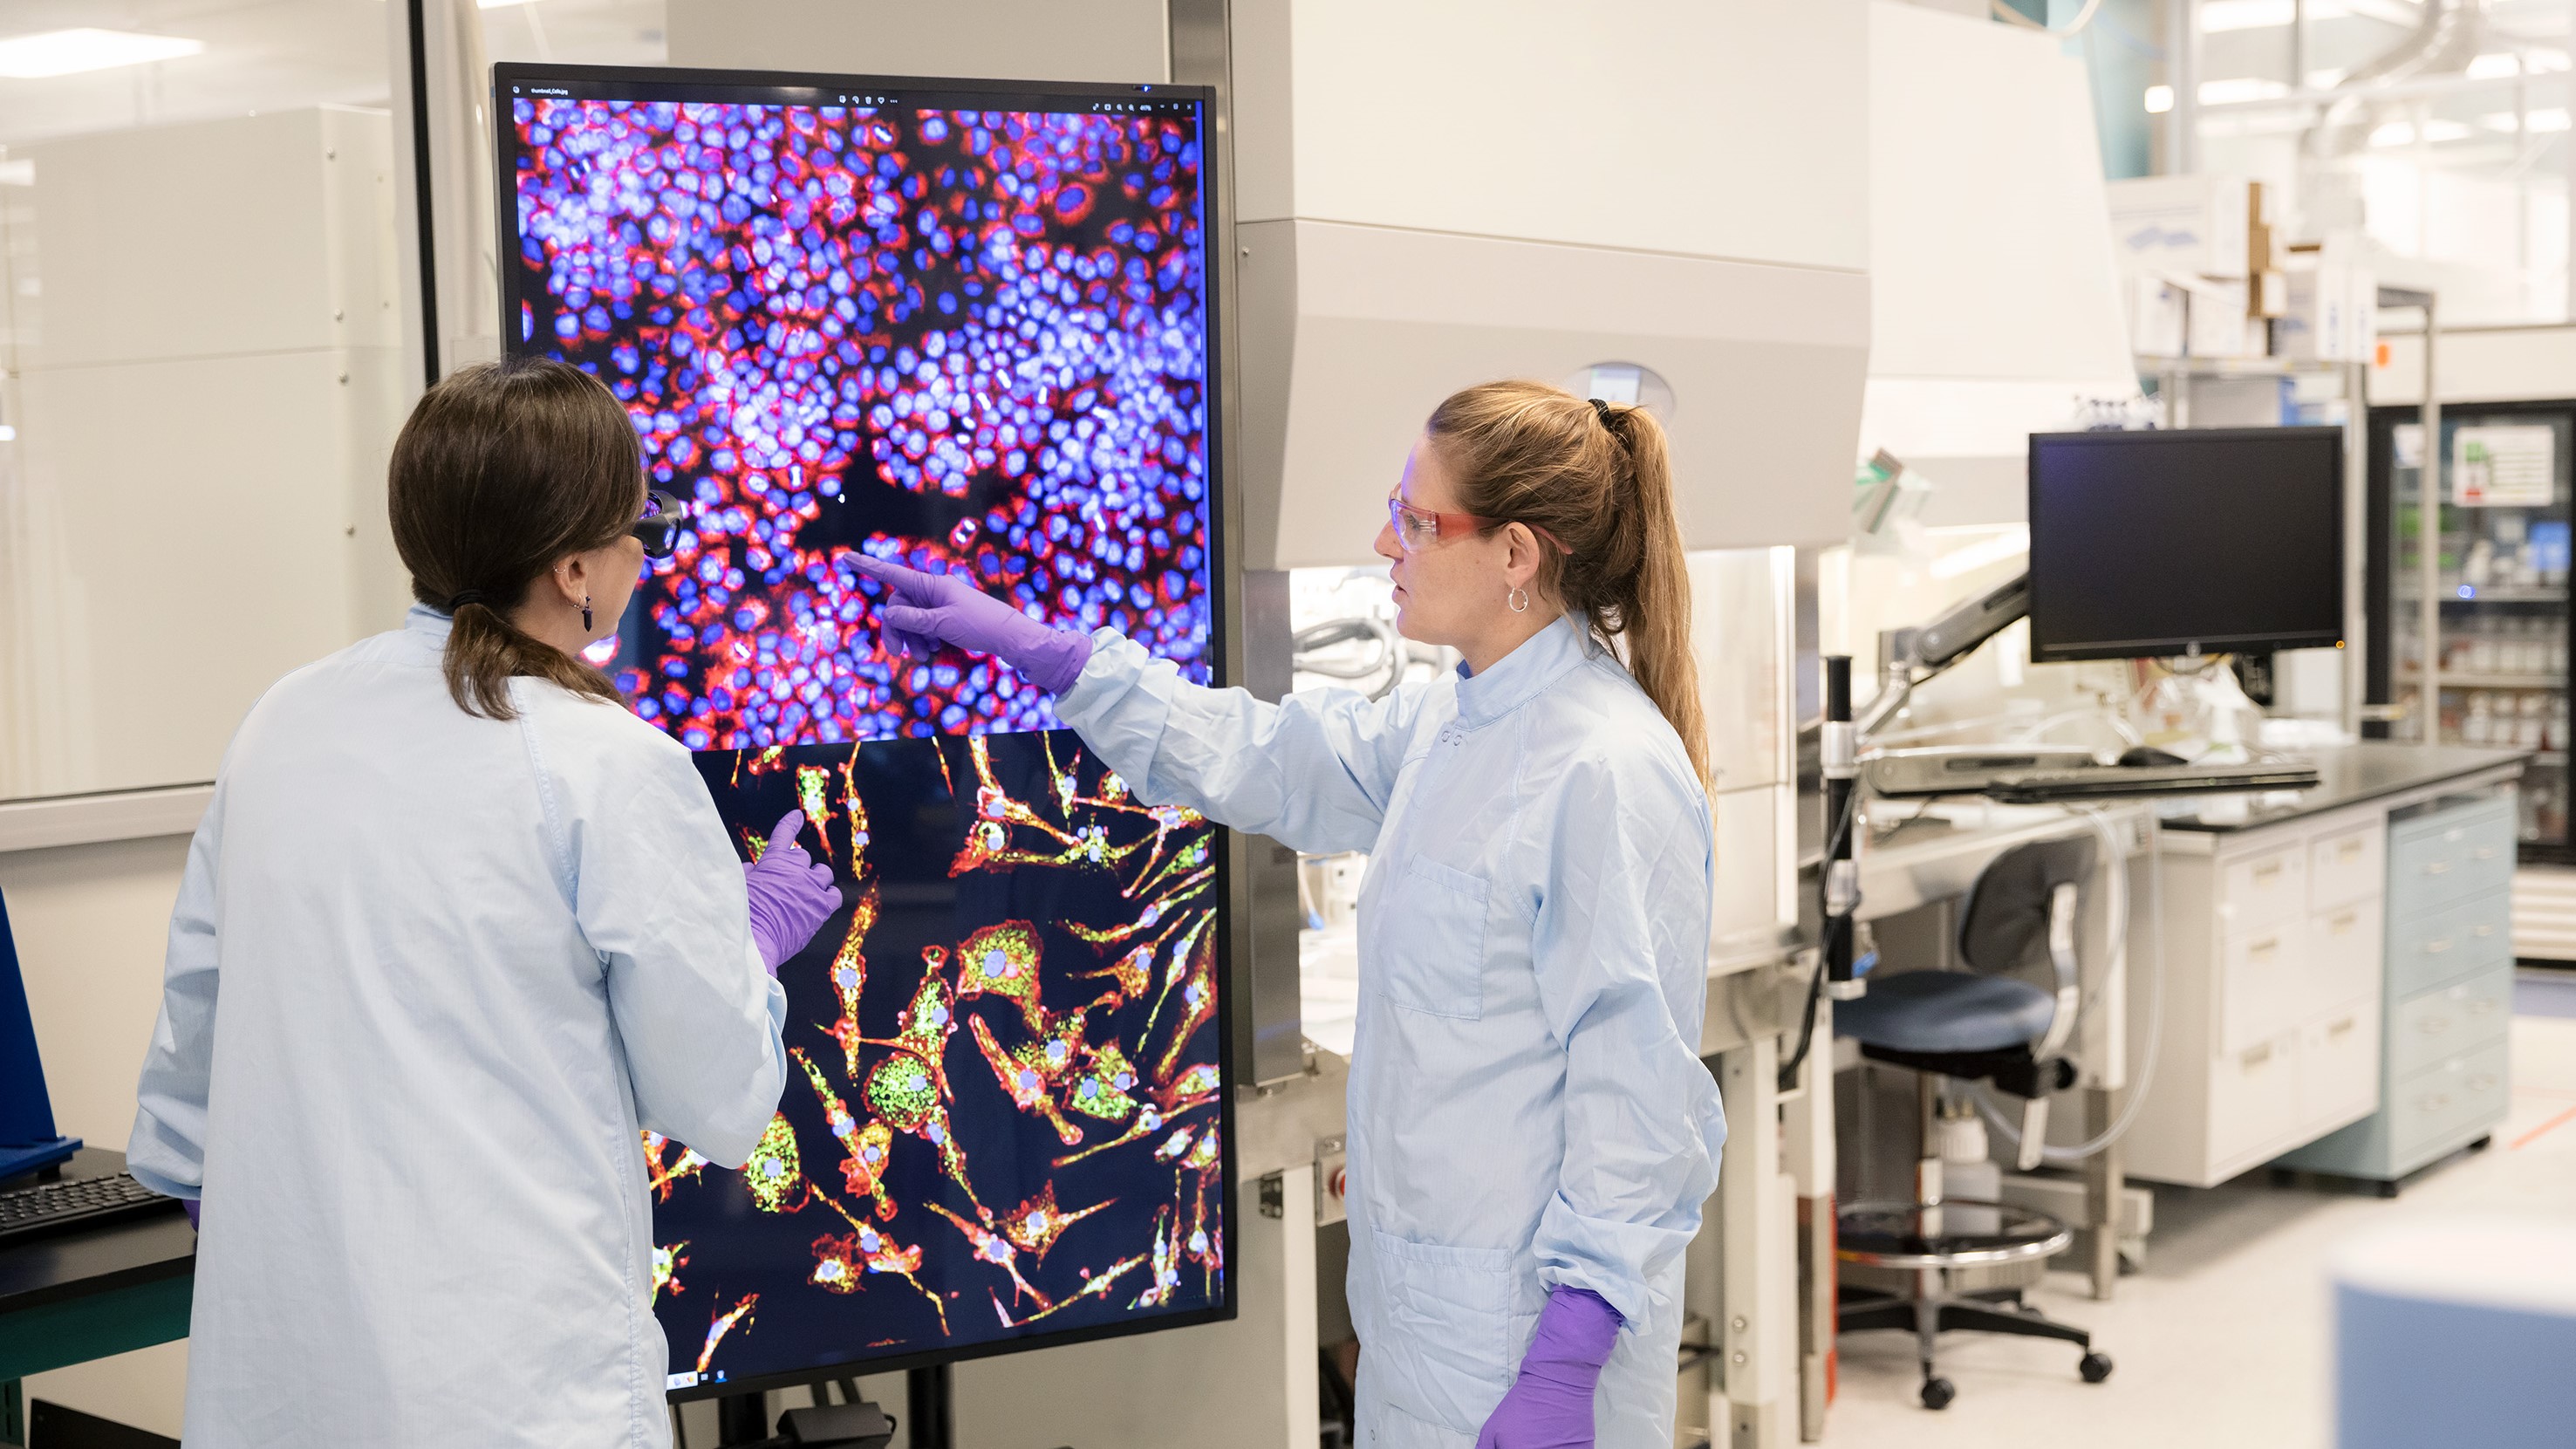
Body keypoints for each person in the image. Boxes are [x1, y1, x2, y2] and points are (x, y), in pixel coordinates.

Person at [856, 379, 1727, 1449]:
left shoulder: (1603, 768)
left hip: (1530, 1344)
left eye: (1415, 521)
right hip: (1428, 1324)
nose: (1383, 540)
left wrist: (1569, 1353)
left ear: (1517, 554)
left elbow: (1637, 1101)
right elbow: (1268, 757)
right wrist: (1056, 655)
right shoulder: (1455, 719)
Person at [126, 356, 842, 1446]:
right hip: (511, 1381)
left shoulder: (285, 719)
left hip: (290, 1371)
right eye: (636, 522)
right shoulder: (607, 761)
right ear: (573, 571)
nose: (644, 551)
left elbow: (193, 1065)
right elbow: (720, 1099)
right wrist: (747, 937)